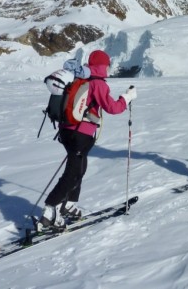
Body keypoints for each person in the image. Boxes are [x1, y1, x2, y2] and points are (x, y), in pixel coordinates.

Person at [39, 50, 137, 229]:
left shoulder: (80, 77)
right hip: (81, 133)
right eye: (107, 64)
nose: (108, 67)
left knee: (80, 168)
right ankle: (50, 210)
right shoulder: (97, 83)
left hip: (66, 130)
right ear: (102, 65)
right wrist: (127, 98)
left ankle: (69, 204)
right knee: (73, 172)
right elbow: (113, 108)